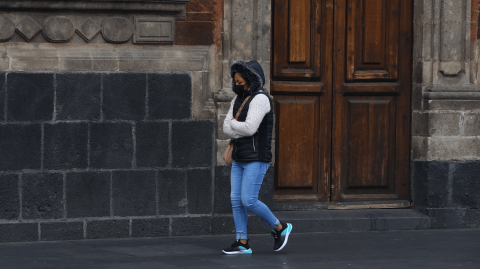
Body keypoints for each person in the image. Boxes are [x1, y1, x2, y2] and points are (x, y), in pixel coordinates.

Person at [222, 60, 292, 254]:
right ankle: (242, 241)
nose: (237, 84)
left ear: (250, 80)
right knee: (236, 200)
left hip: (256, 157)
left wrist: (235, 124)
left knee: (249, 200)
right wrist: (239, 127)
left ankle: (280, 227)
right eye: (234, 80)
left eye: (240, 81)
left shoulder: (261, 99)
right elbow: (225, 127)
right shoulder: (237, 100)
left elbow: (250, 128)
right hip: (239, 157)